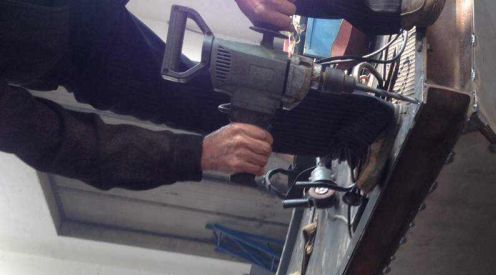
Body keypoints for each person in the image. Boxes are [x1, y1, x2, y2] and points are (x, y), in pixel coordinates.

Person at [0, 0, 445, 191]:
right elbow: (54, 141)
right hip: (67, 50)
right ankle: (357, 126)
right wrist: (195, 155)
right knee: (196, 99)